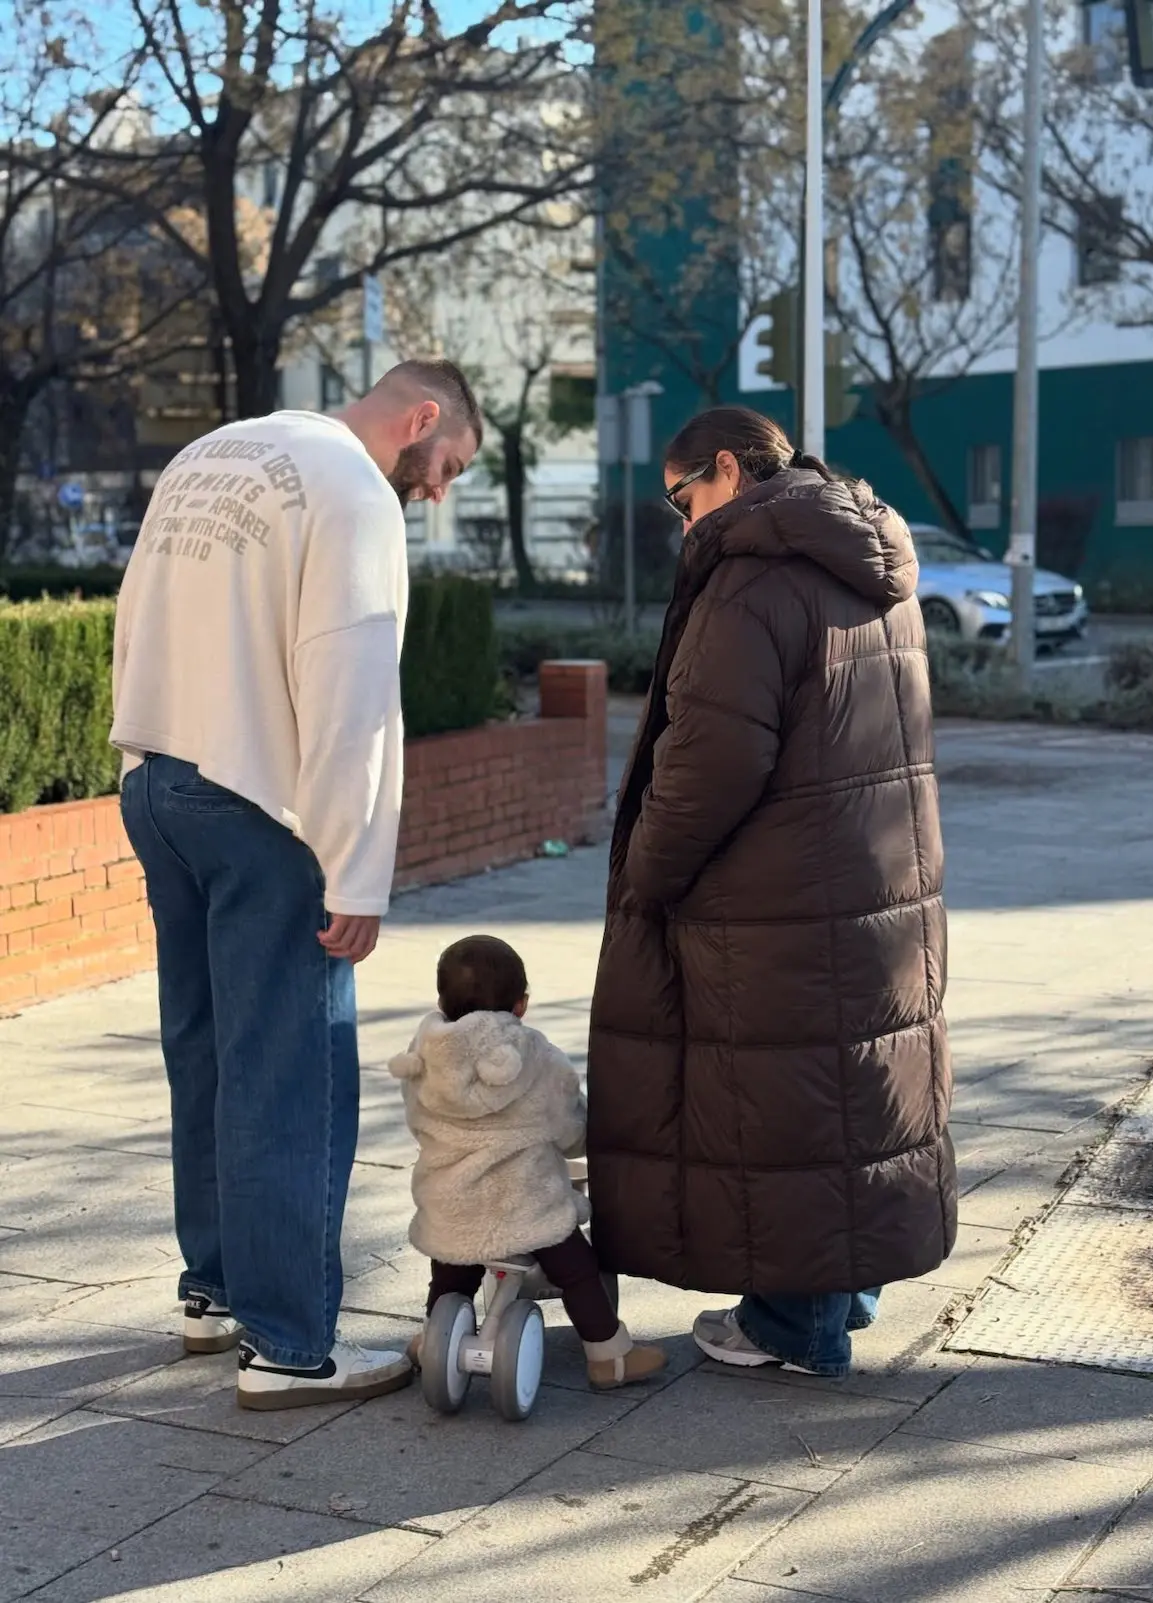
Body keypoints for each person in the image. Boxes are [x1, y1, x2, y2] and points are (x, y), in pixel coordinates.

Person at [111, 359, 482, 1410]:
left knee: (208, 1053)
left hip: (159, 781)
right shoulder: (352, 488)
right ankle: (288, 1344)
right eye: (443, 464)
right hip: (258, 806)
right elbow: (351, 688)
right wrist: (356, 867)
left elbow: (132, 616)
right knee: (288, 1071)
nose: (435, 491)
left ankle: (216, 1291)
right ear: (419, 417)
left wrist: (135, 767)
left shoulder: (212, 451)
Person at [587, 406, 957, 1380]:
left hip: (775, 893)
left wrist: (645, 877)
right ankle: (845, 1289)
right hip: (872, 880)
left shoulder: (750, 581)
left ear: (725, 466)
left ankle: (793, 1326)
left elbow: (710, 758)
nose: (680, 524)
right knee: (848, 1093)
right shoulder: (868, 560)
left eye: (681, 498)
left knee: (785, 1099)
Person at [392, 935, 666, 1391]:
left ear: (441, 1001)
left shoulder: (423, 1053)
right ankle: (609, 1355)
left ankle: (433, 1338)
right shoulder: (536, 1056)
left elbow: (417, 1122)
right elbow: (570, 1130)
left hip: (451, 1204)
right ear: (521, 1005)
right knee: (577, 1269)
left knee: (452, 1272)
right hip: (526, 1204)